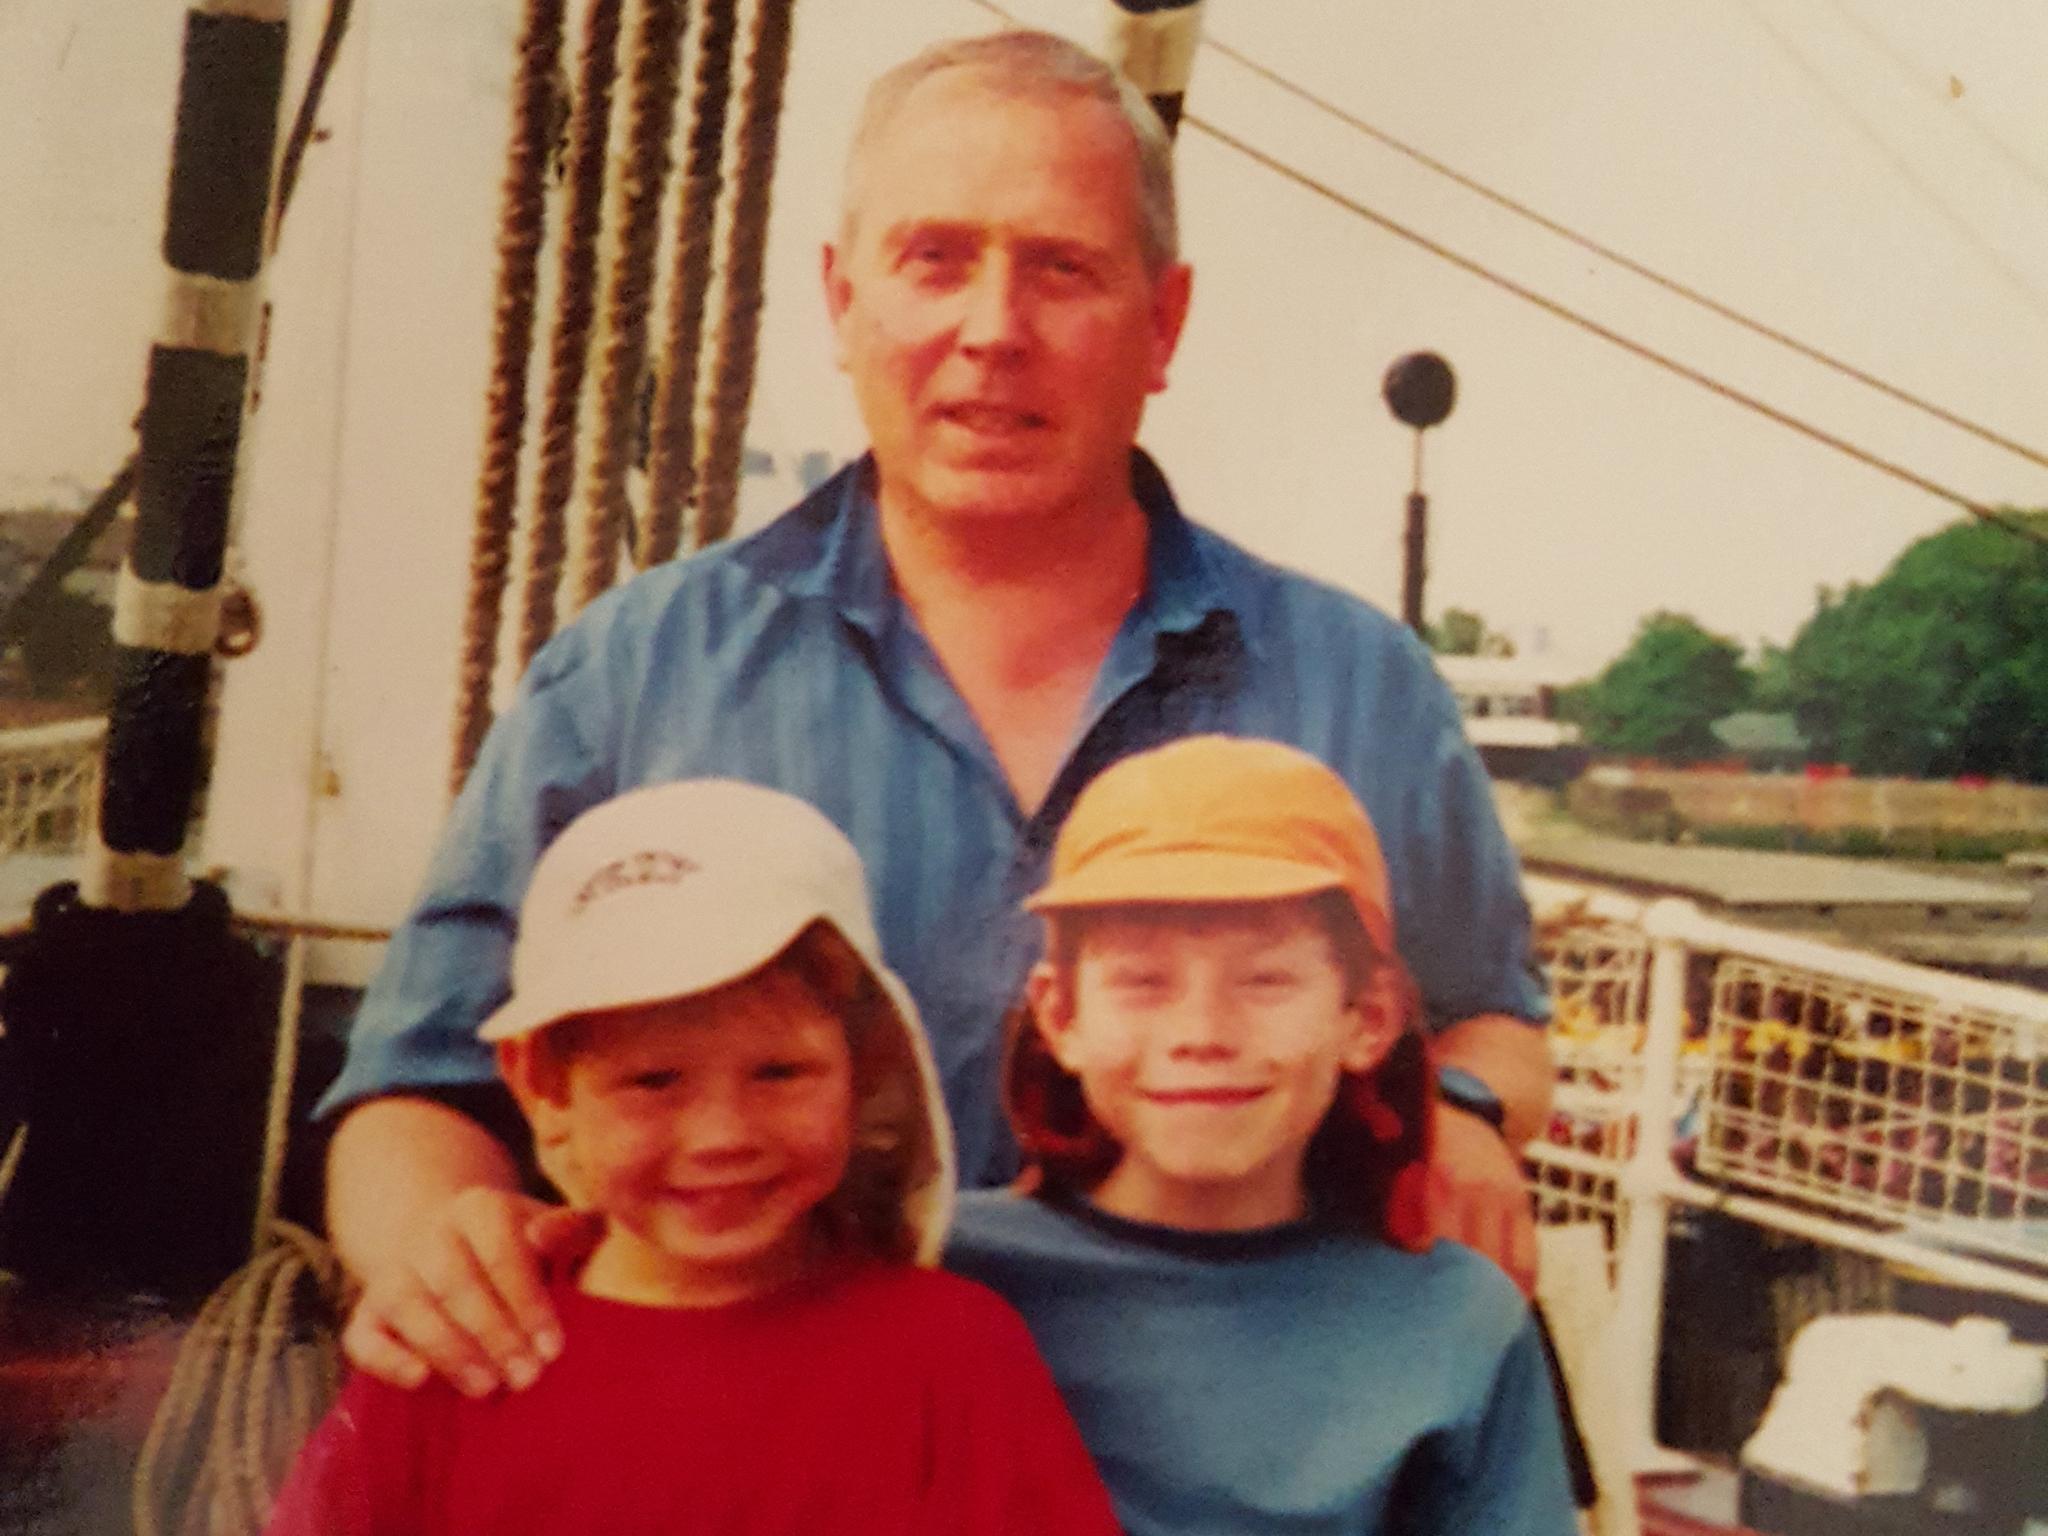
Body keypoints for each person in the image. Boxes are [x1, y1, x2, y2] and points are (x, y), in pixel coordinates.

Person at [321, 28, 1553, 1396]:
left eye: (1063, 268)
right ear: (843, 301)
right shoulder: (629, 679)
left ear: (1165, 323)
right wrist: (437, 1243)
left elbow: (1488, 1017)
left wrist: (1471, 1117)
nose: (993, 329)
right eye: (935, 260)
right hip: (759, 1458)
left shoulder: (1359, 687)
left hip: (1218, 1462)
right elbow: (415, 1093)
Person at [267, 779, 1121, 1535]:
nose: (722, 1136)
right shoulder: (454, 1350)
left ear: (867, 1066)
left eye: (780, 1072)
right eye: (654, 1081)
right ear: (540, 1088)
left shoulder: (955, 1355)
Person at [947, 736, 1578, 1534]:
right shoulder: (948, 1275)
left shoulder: (1455, 1320)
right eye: (1142, 982)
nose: (1203, 1032)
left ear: (1368, 1017)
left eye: (1267, 980)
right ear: (1061, 1015)